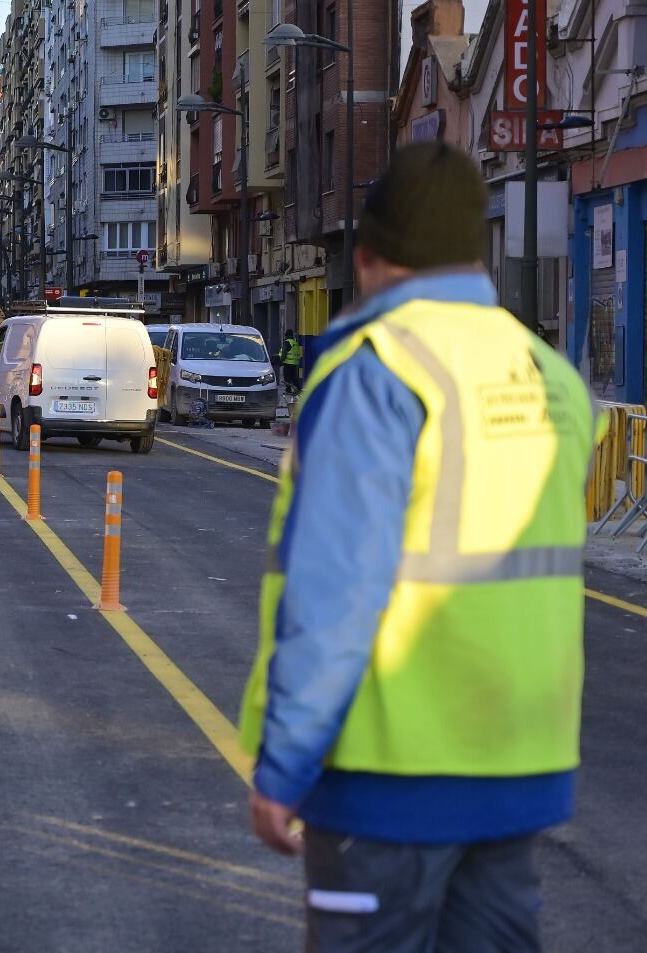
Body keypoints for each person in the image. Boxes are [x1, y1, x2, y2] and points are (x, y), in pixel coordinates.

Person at [237, 142, 605, 951]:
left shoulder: (376, 369)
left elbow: (337, 590)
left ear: (367, 258)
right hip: (520, 768)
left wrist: (286, 764)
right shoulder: (552, 377)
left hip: (389, 775)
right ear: (480, 253)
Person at [279, 329, 303, 395]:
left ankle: (288, 390)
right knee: (293, 377)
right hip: (295, 363)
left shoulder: (287, 342)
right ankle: (298, 389)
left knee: (287, 377)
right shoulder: (295, 343)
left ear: (285, 335)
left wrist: (281, 361)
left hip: (288, 363)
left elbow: (284, 353)